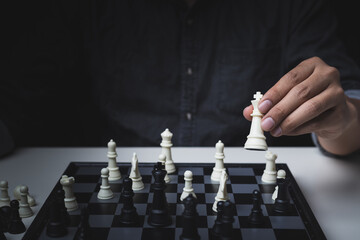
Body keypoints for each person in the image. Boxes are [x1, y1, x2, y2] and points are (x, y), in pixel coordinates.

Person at [1, 0, 360, 157]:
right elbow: (18, 99)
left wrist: (341, 122)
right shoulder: (85, 6)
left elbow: (349, 105)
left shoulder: (291, 5)